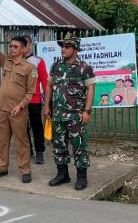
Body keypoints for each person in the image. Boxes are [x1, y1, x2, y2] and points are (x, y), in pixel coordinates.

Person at [0, 15, 37, 183]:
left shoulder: (30, 68)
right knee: (2, 141)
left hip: (18, 111)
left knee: (21, 141)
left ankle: (25, 170)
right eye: (11, 46)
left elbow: (31, 92)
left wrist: (21, 105)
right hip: (1, 108)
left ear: (24, 49)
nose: (12, 49)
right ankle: (2, 168)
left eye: (16, 46)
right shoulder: (6, 62)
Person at [44, 32, 96, 191]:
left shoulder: (84, 67)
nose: (63, 49)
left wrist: (87, 111)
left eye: (67, 46)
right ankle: (62, 174)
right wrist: (47, 106)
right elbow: (49, 85)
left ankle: (81, 177)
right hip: (58, 115)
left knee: (79, 146)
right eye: (62, 46)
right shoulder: (56, 66)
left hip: (76, 116)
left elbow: (91, 88)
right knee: (59, 145)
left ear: (76, 48)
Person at [23, 36, 48, 164]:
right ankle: (28, 151)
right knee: (22, 127)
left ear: (30, 45)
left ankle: (39, 151)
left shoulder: (38, 61)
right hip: (18, 101)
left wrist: (47, 102)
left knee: (36, 126)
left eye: (25, 44)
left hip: (34, 100)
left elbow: (45, 82)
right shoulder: (14, 60)